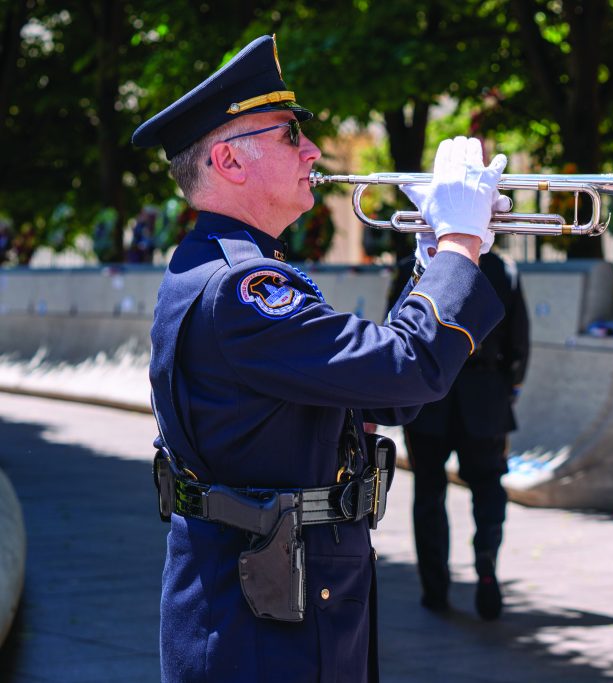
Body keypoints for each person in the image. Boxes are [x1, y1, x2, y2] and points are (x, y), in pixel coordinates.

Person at [133, 34, 509, 682]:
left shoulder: (231, 271)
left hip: (273, 596)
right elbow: (404, 373)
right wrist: (458, 242)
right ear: (229, 160)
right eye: (288, 136)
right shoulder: (244, 291)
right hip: (266, 622)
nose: (312, 151)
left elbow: (364, 382)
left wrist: (432, 258)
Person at [385, 244, 529, 620]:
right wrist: (506, 390)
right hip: (485, 398)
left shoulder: (412, 266)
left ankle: (435, 589)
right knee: (488, 487)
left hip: (429, 398)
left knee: (429, 493)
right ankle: (486, 567)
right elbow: (519, 342)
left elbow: (396, 333)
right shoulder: (502, 268)